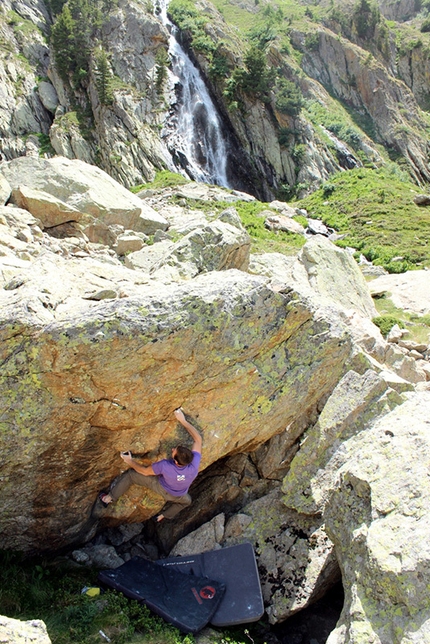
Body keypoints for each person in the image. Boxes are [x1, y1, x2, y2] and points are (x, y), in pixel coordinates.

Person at [98, 408, 202, 522]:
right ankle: (162, 516)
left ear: (176, 461)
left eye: (173, 451)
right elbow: (198, 440)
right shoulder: (193, 464)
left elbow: (144, 471)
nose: (172, 449)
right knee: (187, 502)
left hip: (161, 487)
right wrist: (183, 421)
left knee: (131, 475)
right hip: (179, 495)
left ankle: (109, 498)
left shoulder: (165, 466)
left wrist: (129, 461)